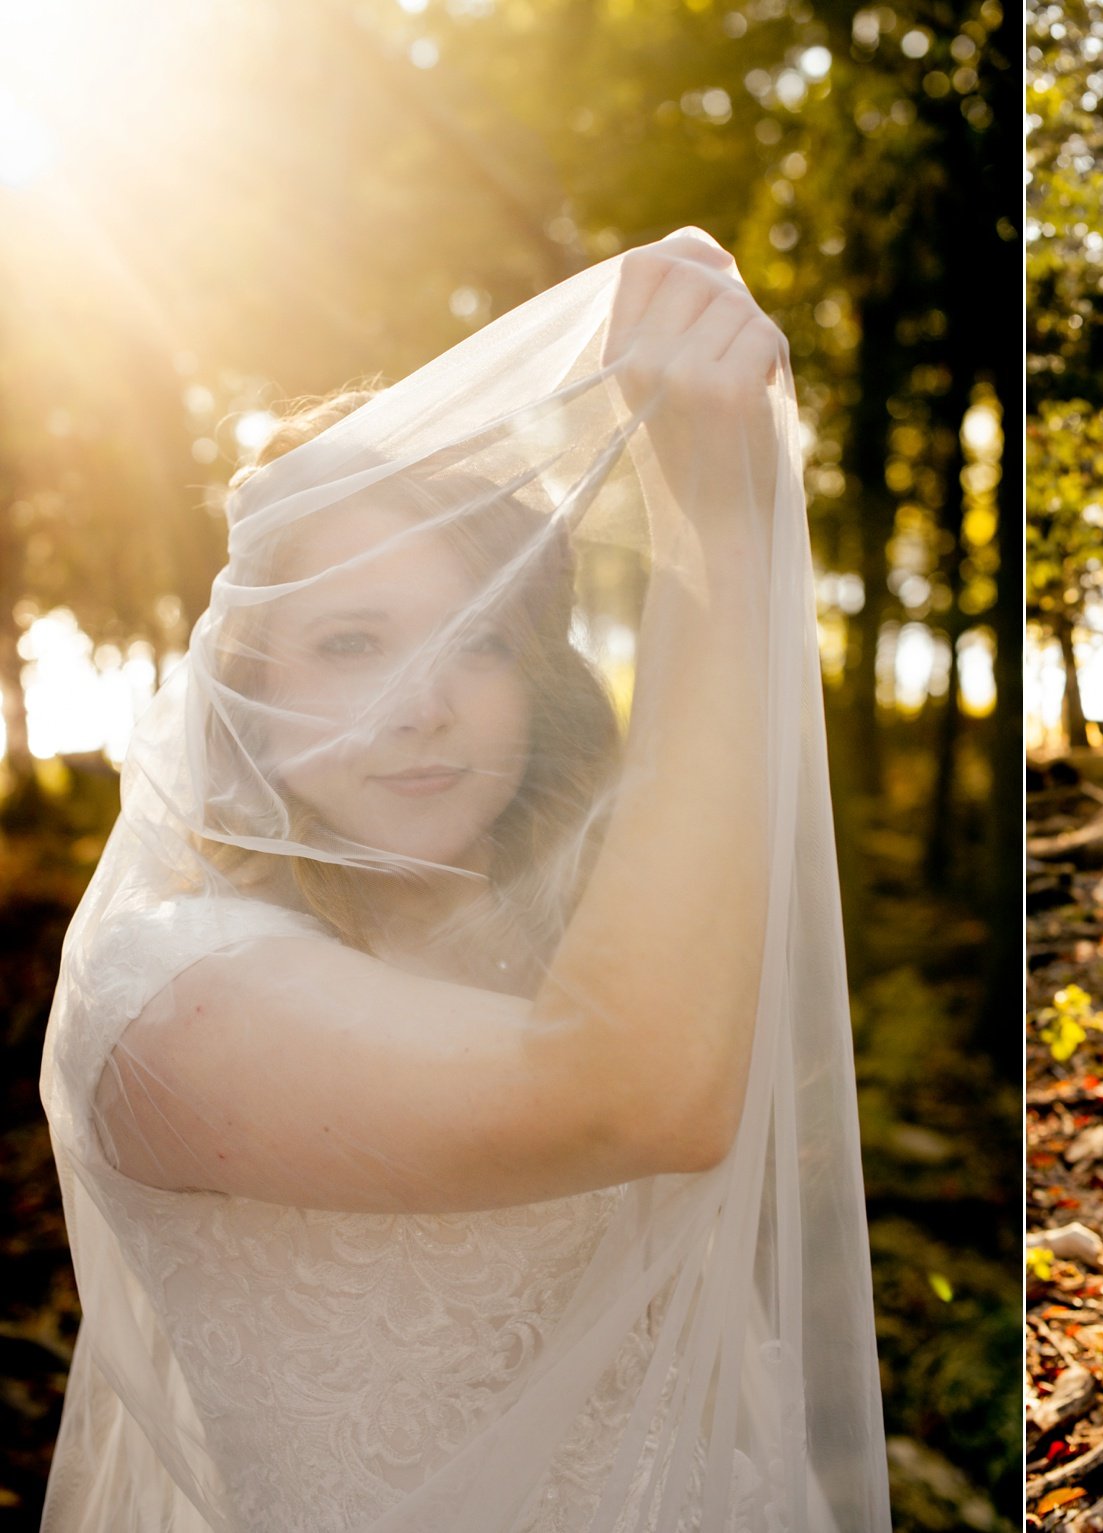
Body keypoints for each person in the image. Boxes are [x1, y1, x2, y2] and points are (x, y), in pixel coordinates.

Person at [38, 229, 890, 1531]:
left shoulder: (544, 924)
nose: (423, 704)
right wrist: (715, 526)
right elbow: (630, 1097)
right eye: (349, 641)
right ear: (246, 694)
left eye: (476, 639)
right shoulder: (169, 996)